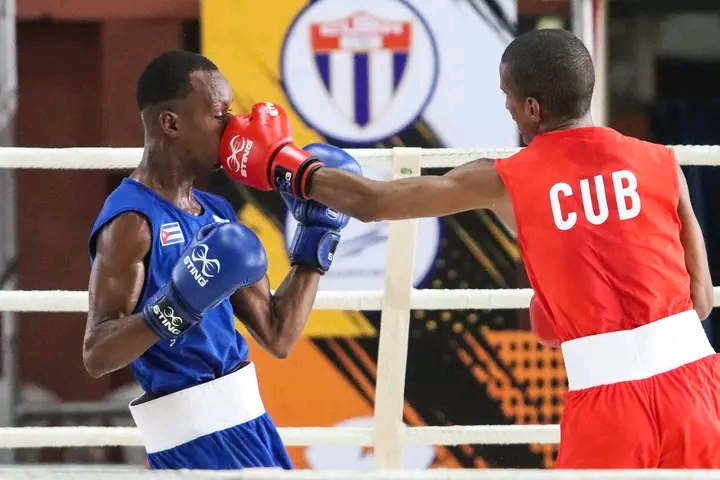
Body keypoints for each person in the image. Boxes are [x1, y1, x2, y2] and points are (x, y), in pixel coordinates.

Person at [219, 29, 720, 469]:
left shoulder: (506, 179)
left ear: (532, 108)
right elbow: (699, 301)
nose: (505, 106)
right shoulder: (662, 162)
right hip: (698, 392)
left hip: (610, 409)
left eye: (507, 95)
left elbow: (372, 202)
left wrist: (285, 165)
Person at [84, 50, 358, 470]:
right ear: (171, 124)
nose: (233, 127)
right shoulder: (132, 221)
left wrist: (316, 241)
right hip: (194, 436)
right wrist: (174, 308)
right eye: (219, 114)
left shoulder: (216, 213)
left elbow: (278, 335)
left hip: (249, 422)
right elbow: (97, 354)